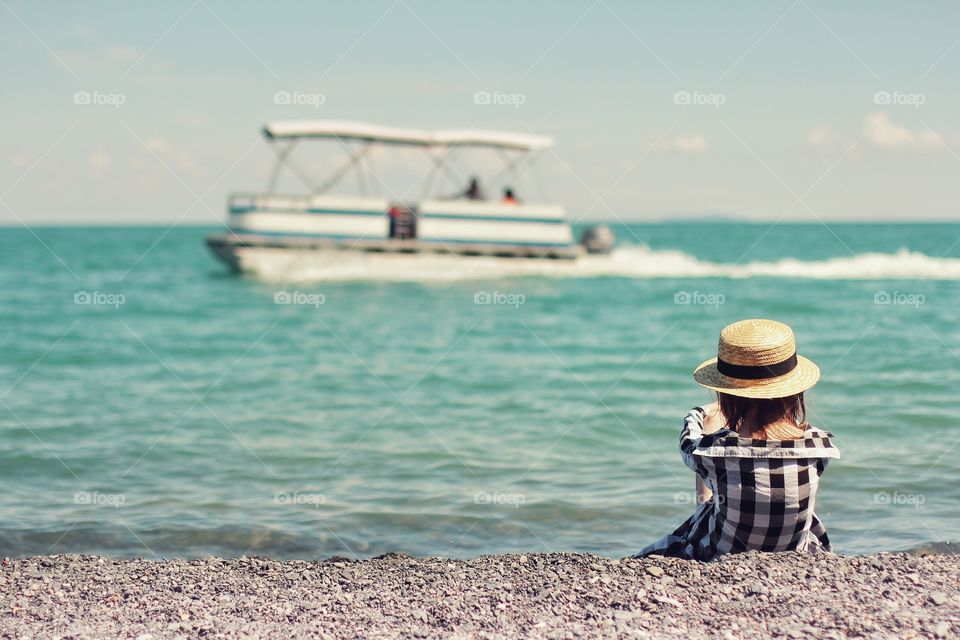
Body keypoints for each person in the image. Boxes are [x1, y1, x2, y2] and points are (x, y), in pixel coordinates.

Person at [636, 318, 839, 561]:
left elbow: (689, 440)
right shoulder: (819, 447)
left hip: (722, 551)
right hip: (795, 551)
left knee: (709, 487)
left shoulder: (714, 452)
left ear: (727, 397)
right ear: (795, 392)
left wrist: (702, 412)